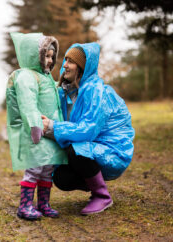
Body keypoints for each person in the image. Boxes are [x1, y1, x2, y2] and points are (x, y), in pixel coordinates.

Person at [42, 43, 135, 215]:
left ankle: (102, 196)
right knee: (61, 177)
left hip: (113, 149)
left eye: (71, 61)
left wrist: (53, 127)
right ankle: (93, 180)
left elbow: (88, 130)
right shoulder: (67, 91)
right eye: (66, 60)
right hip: (91, 147)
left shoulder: (97, 92)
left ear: (82, 66)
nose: (65, 65)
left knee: (75, 150)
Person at [6, 32, 67, 220]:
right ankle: (24, 206)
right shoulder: (26, 76)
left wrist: (61, 84)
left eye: (51, 56)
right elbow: (27, 102)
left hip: (48, 131)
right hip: (36, 130)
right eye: (46, 56)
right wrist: (34, 124)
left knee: (47, 167)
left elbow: (49, 95)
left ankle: (43, 204)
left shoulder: (45, 76)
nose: (49, 61)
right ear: (35, 55)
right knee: (34, 168)